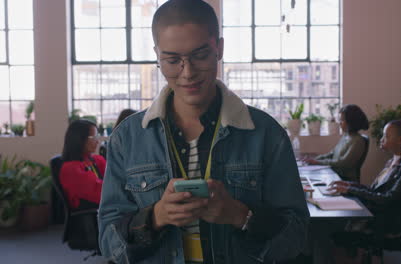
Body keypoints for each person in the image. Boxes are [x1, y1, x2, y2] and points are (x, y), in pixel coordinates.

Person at [97, 1, 309, 263]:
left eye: (200, 55)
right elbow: (108, 241)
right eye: (172, 60)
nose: (187, 73)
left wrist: (240, 216)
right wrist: (155, 218)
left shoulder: (266, 134)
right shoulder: (127, 138)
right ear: (157, 56)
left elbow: (298, 237)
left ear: (218, 48)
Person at [328, 120, 401, 259]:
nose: (382, 139)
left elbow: (387, 198)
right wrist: (348, 185)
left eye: (386, 136)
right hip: (377, 215)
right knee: (334, 223)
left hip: (386, 225)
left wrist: (351, 190)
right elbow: (374, 190)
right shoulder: (393, 160)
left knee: (331, 231)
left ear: (400, 140)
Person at [304, 104, 369, 182]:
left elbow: (343, 163)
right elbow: (332, 154)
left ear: (351, 121)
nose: (339, 123)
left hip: (346, 181)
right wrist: (314, 159)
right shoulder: (346, 136)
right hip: (336, 175)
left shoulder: (358, 141)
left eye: (342, 120)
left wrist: (318, 162)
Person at [60, 119, 106, 210]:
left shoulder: (95, 160)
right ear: (79, 139)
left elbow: (113, 176)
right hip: (93, 213)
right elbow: (101, 192)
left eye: (97, 137)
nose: (97, 141)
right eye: (93, 138)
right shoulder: (71, 169)